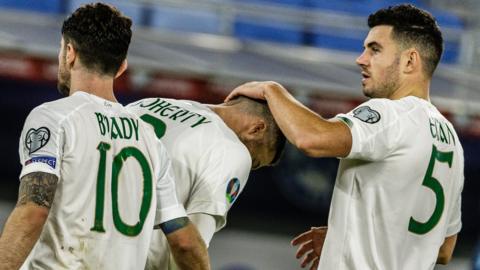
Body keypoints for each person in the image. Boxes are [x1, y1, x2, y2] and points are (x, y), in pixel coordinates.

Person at [226, 4, 464, 270]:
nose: (360, 59)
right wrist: (350, 235)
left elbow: (312, 139)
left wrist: (271, 89)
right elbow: (443, 249)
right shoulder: (451, 141)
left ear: (410, 61)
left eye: (375, 50)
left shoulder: (390, 113)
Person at [0, 3, 209, 270]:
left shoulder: (54, 117)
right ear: (122, 67)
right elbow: (184, 241)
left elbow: (34, 210)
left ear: (69, 53)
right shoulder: (149, 138)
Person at [126, 95, 286, 270]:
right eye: (254, 160)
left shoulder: (147, 103)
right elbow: (187, 247)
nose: (249, 164)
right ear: (257, 129)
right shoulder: (232, 151)